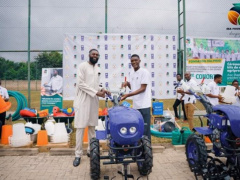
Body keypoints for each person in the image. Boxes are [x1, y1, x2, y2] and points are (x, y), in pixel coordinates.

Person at [73, 49, 109, 167]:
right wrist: (96, 92)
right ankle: (78, 155)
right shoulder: (82, 66)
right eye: (93, 54)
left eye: (97, 54)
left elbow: (97, 83)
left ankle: (91, 151)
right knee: (80, 127)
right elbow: (81, 83)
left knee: (92, 127)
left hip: (93, 100)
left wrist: (102, 89)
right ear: (89, 55)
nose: (95, 56)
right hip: (82, 100)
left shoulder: (98, 68)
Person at [121, 54, 152, 142]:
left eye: (136, 60)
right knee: (137, 128)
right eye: (132, 61)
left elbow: (143, 88)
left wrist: (127, 95)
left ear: (139, 61)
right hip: (136, 105)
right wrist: (127, 83)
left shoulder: (144, 72)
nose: (134, 62)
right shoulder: (131, 73)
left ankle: (147, 149)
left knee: (145, 129)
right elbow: (133, 88)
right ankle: (139, 147)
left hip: (144, 105)